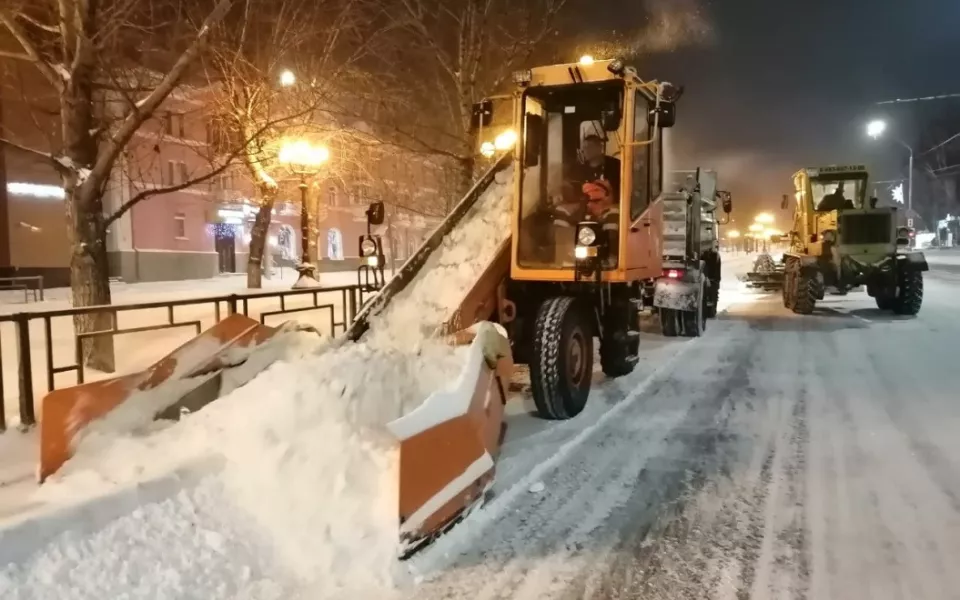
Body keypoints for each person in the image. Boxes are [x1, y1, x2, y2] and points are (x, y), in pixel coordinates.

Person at [553, 135, 622, 234]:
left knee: (614, 215)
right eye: (584, 147)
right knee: (560, 211)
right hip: (583, 206)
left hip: (607, 206)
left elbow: (622, 191)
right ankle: (563, 241)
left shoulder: (616, 166)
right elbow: (570, 187)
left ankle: (611, 241)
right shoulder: (578, 169)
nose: (586, 150)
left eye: (589, 147)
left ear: (600, 148)